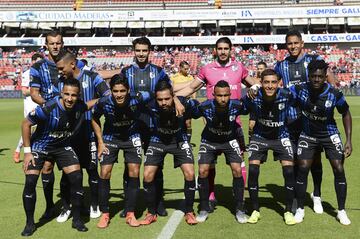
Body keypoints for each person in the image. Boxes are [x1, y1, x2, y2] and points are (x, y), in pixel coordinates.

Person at [99, 37, 183, 217]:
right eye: (138, 50)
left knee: (156, 165)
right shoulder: (126, 71)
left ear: (149, 51)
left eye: (145, 50)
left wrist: (175, 100)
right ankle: (130, 205)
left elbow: (169, 91)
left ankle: (158, 202)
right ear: (133, 51)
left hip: (154, 125)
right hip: (133, 127)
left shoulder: (159, 71)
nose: (141, 53)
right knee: (130, 167)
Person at [176, 37, 259, 211]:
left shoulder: (239, 68)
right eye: (219, 48)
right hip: (212, 125)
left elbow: (255, 84)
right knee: (209, 164)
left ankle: (240, 199)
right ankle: (211, 196)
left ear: (231, 50)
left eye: (225, 48)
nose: (222, 51)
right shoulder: (207, 69)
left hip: (234, 125)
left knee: (239, 163)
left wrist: (258, 87)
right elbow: (191, 88)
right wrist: (176, 97)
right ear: (215, 50)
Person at [20, 78, 98, 236]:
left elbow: (89, 104)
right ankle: (30, 223)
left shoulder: (79, 106)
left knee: (76, 177)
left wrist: (104, 97)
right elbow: (25, 124)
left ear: (78, 96)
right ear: (62, 93)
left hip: (62, 147)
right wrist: (27, 152)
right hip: (40, 146)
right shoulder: (49, 107)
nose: (70, 98)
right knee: (30, 181)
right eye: (67, 94)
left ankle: (77, 220)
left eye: (74, 95)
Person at [274, 29, 337, 214]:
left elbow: (331, 83)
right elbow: (273, 85)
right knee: (292, 161)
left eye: (295, 43)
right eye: (289, 44)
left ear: (302, 43)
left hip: (312, 121)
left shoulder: (313, 60)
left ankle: (316, 195)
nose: (292, 46)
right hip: (290, 119)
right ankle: (295, 197)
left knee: (315, 161)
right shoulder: (281, 66)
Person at [291, 60, 352, 225]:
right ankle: (300, 209)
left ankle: (341, 211)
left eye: (320, 76)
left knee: (339, 168)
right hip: (308, 135)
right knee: (303, 168)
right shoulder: (299, 89)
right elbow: (280, 95)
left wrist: (348, 141)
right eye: (313, 76)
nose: (316, 80)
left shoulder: (335, 94)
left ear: (325, 76)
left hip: (329, 134)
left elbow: (346, 113)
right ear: (308, 76)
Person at [55, 50, 110, 222]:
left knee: (92, 170)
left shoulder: (93, 77)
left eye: (61, 68)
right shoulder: (60, 82)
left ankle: (94, 204)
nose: (60, 71)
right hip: (68, 136)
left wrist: (86, 106)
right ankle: (66, 207)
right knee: (66, 174)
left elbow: (107, 95)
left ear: (72, 64)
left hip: (89, 133)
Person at [92, 75, 148, 228]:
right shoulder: (104, 102)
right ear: (111, 91)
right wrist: (100, 142)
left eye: (122, 91)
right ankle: (105, 214)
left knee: (134, 172)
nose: (119, 94)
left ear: (128, 90)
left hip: (132, 136)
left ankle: (130, 214)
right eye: (115, 91)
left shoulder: (138, 97)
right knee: (105, 172)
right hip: (110, 137)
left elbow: (158, 94)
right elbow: (94, 118)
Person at [140, 80, 198, 226]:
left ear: (173, 96)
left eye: (167, 99)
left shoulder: (183, 102)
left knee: (190, 173)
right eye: (160, 99)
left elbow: (200, 109)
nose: (163, 102)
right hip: (157, 139)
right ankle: (151, 213)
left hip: (179, 138)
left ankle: (190, 211)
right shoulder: (149, 104)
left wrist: (179, 101)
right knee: (147, 174)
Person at [244, 69, 296, 225]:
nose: (270, 86)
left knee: (288, 171)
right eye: (266, 82)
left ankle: (288, 210)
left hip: (281, 136)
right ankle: (255, 210)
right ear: (260, 82)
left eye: (273, 82)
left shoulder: (287, 95)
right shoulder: (254, 95)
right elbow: (242, 106)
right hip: (260, 137)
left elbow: (303, 100)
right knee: (253, 170)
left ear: (278, 83)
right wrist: (248, 94)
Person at [192, 80, 247, 224]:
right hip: (209, 140)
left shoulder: (236, 105)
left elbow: (252, 107)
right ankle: (204, 208)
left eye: (226, 95)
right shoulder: (205, 106)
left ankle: (240, 209)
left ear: (230, 94)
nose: (223, 99)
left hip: (229, 140)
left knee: (237, 170)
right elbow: (190, 112)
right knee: (203, 171)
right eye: (219, 95)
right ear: (213, 95)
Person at [13, 53, 44, 163]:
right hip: (30, 104)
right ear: (33, 61)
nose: (40, 64)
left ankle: (38, 151)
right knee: (30, 128)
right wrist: (35, 91)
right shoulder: (27, 73)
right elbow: (24, 91)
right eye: (38, 61)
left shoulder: (43, 74)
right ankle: (18, 150)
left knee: (40, 127)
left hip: (40, 103)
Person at [171, 61, 196, 146]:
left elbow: (193, 90)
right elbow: (172, 90)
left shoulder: (191, 78)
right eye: (185, 69)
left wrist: (194, 99)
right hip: (177, 103)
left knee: (188, 123)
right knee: (178, 123)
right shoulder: (174, 77)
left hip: (188, 103)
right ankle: (177, 141)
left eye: (188, 68)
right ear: (180, 68)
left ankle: (188, 142)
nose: (187, 70)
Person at [248, 61, 267, 143]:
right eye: (258, 69)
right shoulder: (253, 80)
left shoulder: (269, 80)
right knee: (251, 126)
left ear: (265, 69)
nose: (259, 70)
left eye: (261, 69)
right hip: (254, 107)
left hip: (266, 106)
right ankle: (250, 143)